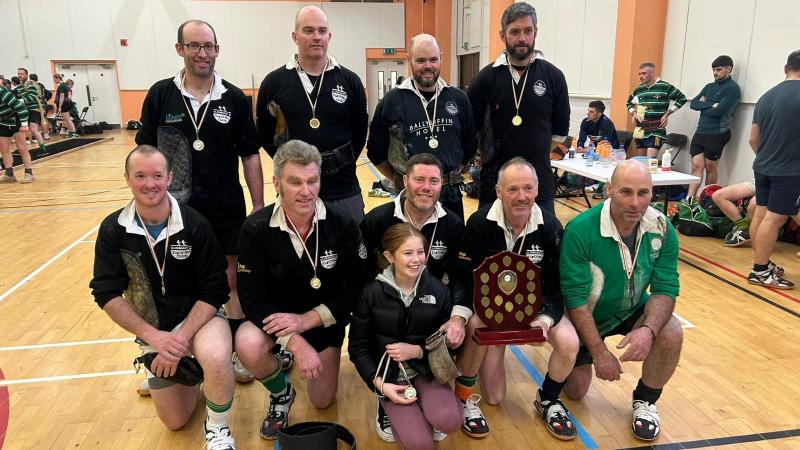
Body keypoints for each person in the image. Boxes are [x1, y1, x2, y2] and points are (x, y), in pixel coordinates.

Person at [135, 19, 265, 387]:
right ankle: (168, 355)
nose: (202, 53)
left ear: (217, 50)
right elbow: (144, 152)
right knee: (174, 277)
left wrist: (257, 205)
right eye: (194, 46)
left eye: (208, 46)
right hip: (173, 209)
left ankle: (238, 354)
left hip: (225, 206)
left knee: (231, 280)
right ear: (180, 50)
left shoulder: (235, 98)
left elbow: (250, 154)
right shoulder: (161, 95)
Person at [89, 145, 237, 450]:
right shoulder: (112, 230)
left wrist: (180, 339)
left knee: (216, 356)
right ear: (127, 178)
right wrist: (155, 338)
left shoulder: (195, 223)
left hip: (200, 319)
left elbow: (216, 290)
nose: (149, 184)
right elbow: (105, 293)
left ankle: (218, 428)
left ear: (169, 178)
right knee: (175, 421)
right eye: (140, 175)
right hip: (154, 329)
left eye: (157, 175)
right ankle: (195, 379)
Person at [234, 140, 367, 440]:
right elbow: (252, 299)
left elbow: (355, 287)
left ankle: (296, 354)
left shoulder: (342, 223)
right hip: (276, 322)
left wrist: (307, 321)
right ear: (277, 183)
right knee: (247, 345)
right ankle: (281, 392)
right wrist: (294, 341)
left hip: (323, 321)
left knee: (322, 400)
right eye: (294, 182)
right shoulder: (255, 228)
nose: (305, 192)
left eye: (312, 181)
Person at [454, 157, 579, 440]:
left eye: (528, 188)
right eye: (512, 189)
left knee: (569, 342)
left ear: (537, 189)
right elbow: (463, 277)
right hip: (492, 314)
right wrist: (466, 315)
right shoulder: (479, 223)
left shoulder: (549, 225)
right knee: (495, 397)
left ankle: (547, 399)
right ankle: (462, 397)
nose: (521, 197)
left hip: (536, 310)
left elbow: (556, 286)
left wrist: (544, 320)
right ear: (498, 191)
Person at [560, 160, 683, 442]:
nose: (635, 203)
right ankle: (571, 354)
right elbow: (576, 299)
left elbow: (665, 288)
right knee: (576, 391)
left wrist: (648, 330)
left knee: (671, 331)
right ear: (608, 190)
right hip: (587, 314)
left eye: (644, 193)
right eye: (626, 192)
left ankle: (646, 401)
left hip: (631, 309)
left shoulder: (662, 228)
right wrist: (600, 352)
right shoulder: (580, 229)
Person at [360, 153, 469, 441]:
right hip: (387, 321)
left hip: (430, 319)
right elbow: (359, 274)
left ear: (442, 184)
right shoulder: (376, 220)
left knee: (447, 419)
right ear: (405, 180)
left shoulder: (454, 225)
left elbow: (462, 276)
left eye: (433, 181)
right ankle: (386, 393)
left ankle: (429, 391)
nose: (426, 187)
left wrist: (457, 317)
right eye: (419, 179)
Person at [349, 223, 463, 449]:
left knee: (450, 421)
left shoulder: (439, 291)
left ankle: (428, 404)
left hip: (426, 371)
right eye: (408, 253)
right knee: (420, 444)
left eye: (420, 252)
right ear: (390, 256)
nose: (416, 259)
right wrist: (380, 385)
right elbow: (357, 347)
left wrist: (419, 350)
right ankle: (384, 404)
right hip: (391, 376)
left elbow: (452, 348)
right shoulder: (371, 293)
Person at [257, 5, 368, 222]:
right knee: (296, 252)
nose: (316, 37)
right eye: (308, 31)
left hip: (343, 186)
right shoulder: (274, 83)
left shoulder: (350, 81)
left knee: (352, 251)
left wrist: (337, 161)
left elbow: (360, 132)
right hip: (295, 189)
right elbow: (266, 135)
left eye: (322, 30)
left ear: (329, 36)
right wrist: (293, 166)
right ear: (295, 36)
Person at [467, 2, 570, 215]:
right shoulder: (485, 79)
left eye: (527, 31)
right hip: (493, 184)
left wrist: (534, 152)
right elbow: (470, 130)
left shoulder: (554, 77)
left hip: (539, 184)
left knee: (540, 246)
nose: (522, 38)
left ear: (535, 32)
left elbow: (560, 131)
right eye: (514, 32)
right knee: (491, 247)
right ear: (502, 35)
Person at [367, 33, 476, 218]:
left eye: (433, 59)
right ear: (410, 60)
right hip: (409, 197)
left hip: (450, 196)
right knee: (410, 247)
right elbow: (376, 152)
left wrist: (447, 177)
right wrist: (404, 178)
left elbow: (469, 145)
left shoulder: (458, 99)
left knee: (450, 246)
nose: (428, 66)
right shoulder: (391, 101)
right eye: (421, 60)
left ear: (441, 57)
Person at [746, 50, 800, 290]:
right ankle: (760, 270)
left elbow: (752, 139)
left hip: (764, 166)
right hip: (790, 170)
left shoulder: (766, 96)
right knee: (774, 219)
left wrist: (768, 158)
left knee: (761, 214)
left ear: (785, 68)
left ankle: (762, 263)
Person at [686, 56, 741, 201]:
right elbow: (693, 104)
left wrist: (705, 106)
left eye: (719, 69)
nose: (715, 72)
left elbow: (719, 112)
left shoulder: (732, 88)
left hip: (718, 132)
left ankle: (707, 199)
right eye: (713, 70)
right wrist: (711, 104)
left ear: (729, 69)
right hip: (701, 131)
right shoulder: (709, 86)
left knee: (710, 166)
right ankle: (689, 199)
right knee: (696, 166)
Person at [626, 62, 687, 158]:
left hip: (656, 130)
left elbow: (682, 99)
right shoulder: (638, 89)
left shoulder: (665, 87)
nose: (641, 76)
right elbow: (629, 103)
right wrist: (633, 113)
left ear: (652, 73)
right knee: (641, 162)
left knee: (650, 161)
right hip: (640, 129)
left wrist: (667, 114)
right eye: (640, 74)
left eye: (644, 73)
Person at [0, 83, 35, 183]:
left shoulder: (3, 93)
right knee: (3, 148)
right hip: (3, 122)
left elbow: (22, 109)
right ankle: (9, 174)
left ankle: (29, 173)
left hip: (17, 120)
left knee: (21, 148)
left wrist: (24, 125)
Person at [16, 68, 48, 156]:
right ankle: (22, 149)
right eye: (18, 74)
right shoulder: (19, 87)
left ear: (26, 75)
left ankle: (43, 149)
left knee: (34, 130)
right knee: (20, 129)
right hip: (26, 110)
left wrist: (21, 101)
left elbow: (32, 97)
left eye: (22, 74)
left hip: (35, 109)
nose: (19, 75)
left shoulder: (30, 84)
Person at [29, 74, 51, 140]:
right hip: (44, 105)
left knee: (39, 121)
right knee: (43, 119)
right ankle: (46, 134)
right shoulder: (41, 85)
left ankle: (38, 136)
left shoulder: (32, 86)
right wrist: (46, 99)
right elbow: (49, 93)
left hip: (38, 106)